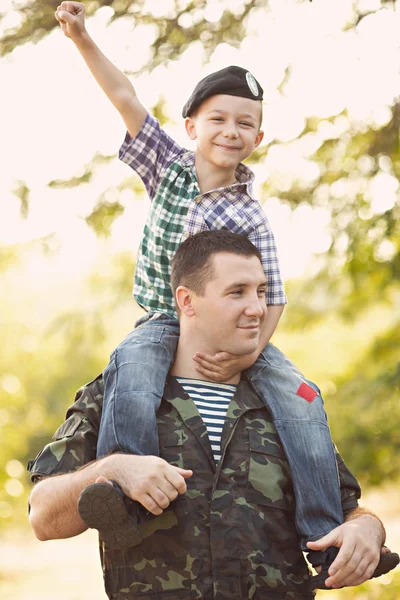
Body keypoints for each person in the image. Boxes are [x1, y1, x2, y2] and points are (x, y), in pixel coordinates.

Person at [52, 2, 396, 585]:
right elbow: (126, 97)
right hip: (163, 317)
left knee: (301, 400)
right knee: (130, 372)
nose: (230, 132)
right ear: (192, 126)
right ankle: (124, 495)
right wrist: (83, 39)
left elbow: (275, 298)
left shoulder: (250, 215)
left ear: (258, 138)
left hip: (244, 340)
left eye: (244, 124)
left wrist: (246, 353)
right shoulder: (168, 166)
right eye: (217, 119)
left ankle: (326, 528)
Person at [28, 231, 397, 599]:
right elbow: (43, 516)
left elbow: (349, 508)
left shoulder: (289, 403)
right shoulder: (117, 394)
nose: (256, 309)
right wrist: (111, 468)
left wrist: (367, 530)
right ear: (187, 301)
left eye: (262, 292)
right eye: (237, 292)